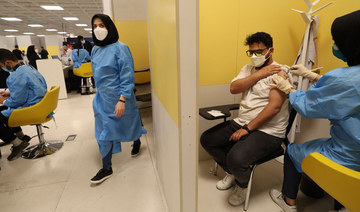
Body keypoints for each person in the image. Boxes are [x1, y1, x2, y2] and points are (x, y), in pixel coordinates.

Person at [269, 10, 360, 212]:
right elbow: (348, 91)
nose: (335, 46)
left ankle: (288, 202)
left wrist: (290, 89)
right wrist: (314, 76)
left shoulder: (344, 79)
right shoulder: (348, 79)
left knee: (292, 151)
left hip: (350, 156)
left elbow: (307, 106)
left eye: (337, 42)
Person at [200, 32, 289, 206]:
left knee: (236, 158)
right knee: (207, 139)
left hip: (268, 130)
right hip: (241, 122)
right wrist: (260, 74)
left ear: (270, 50)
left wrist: (247, 129)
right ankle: (233, 172)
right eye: (251, 53)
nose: (254, 56)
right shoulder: (248, 69)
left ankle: (242, 184)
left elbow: (274, 107)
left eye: (259, 51)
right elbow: (234, 88)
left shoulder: (280, 72)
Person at [90, 14, 147, 184]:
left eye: (102, 25)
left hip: (120, 96)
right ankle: (107, 167)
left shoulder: (121, 48)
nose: (98, 29)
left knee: (130, 124)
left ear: (110, 27)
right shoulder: (95, 49)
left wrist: (122, 99)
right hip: (102, 98)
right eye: (94, 26)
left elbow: (127, 76)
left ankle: (136, 141)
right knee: (103, 133)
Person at [0, 49, 47, 161]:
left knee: (6, 108)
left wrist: (4, 101)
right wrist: (9, 93)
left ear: (8, 63)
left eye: (1, 65)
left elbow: (18, 101)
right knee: (5, 110)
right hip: (42, 104)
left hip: (31, 108)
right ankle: (21, 137)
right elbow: (31, 87)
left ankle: (17, 143)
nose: (2, 68)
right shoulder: (29, 68)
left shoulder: (15, 76)